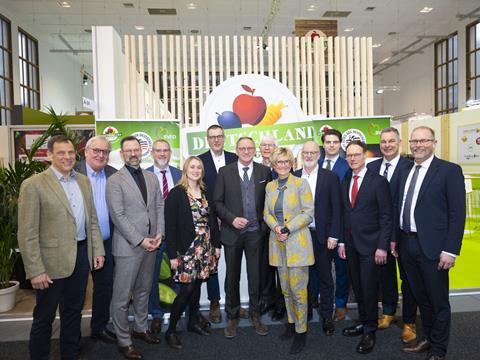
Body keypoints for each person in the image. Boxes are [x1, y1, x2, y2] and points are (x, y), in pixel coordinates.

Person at [17, 134, 105, 360]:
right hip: (49, 264)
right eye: (61, 153)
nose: (67, 157)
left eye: (70, 152)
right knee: (44, 317)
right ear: (49, 155)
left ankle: (70, 354)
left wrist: (97, 251)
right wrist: (35, 270)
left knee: (73, 313)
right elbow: (27, 232)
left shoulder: (83, 181)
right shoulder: (33, 185)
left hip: (81, 256)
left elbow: (92, 219)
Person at [398, 126, 465, 360]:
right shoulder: (407, 170)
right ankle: (427, 339)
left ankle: (439, 349)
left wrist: (450, 250)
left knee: (438, 301)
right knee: (421, 298)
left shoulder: (449, 171)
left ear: (434, 142)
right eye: (414, 141)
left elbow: (457, 214)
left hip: (434, 249)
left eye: (423, 140)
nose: (418, 145)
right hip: (407, 244)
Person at [106, 136, 164, 360]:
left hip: (152, 243)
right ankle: (123, 341)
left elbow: (158, 206)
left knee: (143, 290)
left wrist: (159, 233)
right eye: (128, 151)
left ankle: (140, 329)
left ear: (142, 152)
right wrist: (140, 240)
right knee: (121, 297)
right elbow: (118, 216)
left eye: (136, 150)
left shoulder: (151, 177)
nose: (133, 154)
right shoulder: (115, 181)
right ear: (122, 154)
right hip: (129, 247)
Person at [214, 136, 272, 338]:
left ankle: (255, 315)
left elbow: (269, 202)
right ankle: (232, 316)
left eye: (249, 148)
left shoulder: (265, 171)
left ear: (254, 150)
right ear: (236, 150)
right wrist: (231, 219)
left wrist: (264, 227)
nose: (246, 151)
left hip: (256, 234)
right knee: (232, 277)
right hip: (232, 233)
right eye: (242, 148)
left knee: (255, 276)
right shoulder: (225, 172)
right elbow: (217, 203)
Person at [339, 140, 392, 355]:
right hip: (351, 245)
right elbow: (345, 214)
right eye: (349, 155)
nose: (352, 158)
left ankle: (370, 331)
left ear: (364, 156)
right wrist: (342, 241)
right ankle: (364, 321)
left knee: (369, 289)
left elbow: (387, 216)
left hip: (371, 247)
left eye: (356, 154)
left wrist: (382, 247)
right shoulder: (345, 180)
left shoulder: (378, 181)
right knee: (359, 288)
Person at [366, 127, 418, 343]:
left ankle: (409, 322)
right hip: (381, 234)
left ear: (399, 142)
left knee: (408, 279)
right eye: (384, 141)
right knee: (385, 276)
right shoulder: (373, 166)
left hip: (404, 233)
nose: (387, 145)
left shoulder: (410, 166)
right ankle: (388, 312)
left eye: (391, 141)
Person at [164, 156, 221, 350]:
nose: (196, 170)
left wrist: (217, 244)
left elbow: (212, 220)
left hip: (205, 247)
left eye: (199, 167)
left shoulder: (205, 191)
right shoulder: (176, 193)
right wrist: (172, 255)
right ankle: (170, 330)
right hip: (186, 249)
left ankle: (192, 322)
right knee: (186, 289)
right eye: (192, 167)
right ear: (185, 169)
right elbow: (170, 227)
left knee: (197, 286)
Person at [264, 147, 314, 354]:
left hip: (298, 244)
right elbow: (266, 213)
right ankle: (292, 325)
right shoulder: (270, 186)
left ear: (292, 163)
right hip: (278, 244)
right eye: (278, 162)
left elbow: (308, 213)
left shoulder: (301, 184)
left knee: (299, 291)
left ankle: (302, 332)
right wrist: (275, 227)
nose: (282, 165)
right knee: (285, 289)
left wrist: (287, 228)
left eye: (286, 162)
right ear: (273, 165)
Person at [294, 141, 341, 336]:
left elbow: (337, 208)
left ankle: (327, 316)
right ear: (301, 154)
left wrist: (334, 235)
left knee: (325, 278)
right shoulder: (294, 176)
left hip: (322, 236)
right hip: (300, 236)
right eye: (306, 152)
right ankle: (304, 314)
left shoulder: (329, 177)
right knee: (302, 278)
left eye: (313, 152)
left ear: (319, 155)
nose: (310, 155)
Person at [76, 136, 117, 344]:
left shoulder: (113, 174)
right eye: (97, 151)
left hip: (107, 242)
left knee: (104, 287)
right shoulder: (73, 173)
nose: (101, 155)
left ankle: (98, 327)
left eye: (105, 152)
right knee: (77, 290)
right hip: (80, 243)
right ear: (86, 151)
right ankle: (72, 334)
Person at [198, 124, 238, 323]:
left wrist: (229, 216)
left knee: (233, 263)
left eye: (219, 136)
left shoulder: (235, 158)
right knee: (211, 262)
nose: (216, 140)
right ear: (207, 139)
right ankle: (214, 302)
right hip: (208, 221)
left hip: (231, 219)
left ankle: (234, 303)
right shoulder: (200, 161)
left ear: (224, 138)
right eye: (212, 137)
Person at [146, 139, 182, 335]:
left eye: (165, 150)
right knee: (152, 276)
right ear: (152, 153)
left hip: (176, 235)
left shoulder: (179, 174)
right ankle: (156, 315)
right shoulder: (144, 175)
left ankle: (177, 312)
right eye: (158, 151)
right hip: (153, 236)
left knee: (179, 275)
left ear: (170, 153)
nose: (162, 154)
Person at [319, 128, 351, 321]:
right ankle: (320, 301)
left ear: (340, 144)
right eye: (328, 142)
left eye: (335, 142)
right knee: (318, 269)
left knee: (341, 269)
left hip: (341, 227)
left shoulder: (347, 165)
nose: (331, 145)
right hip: (319, 228)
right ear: (323, 144)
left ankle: (341, 304)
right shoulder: (315, 163)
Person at [258, 135, 285, 319]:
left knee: (282, 268)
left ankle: (281, 305)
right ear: (260, 148)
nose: (267, 148)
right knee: (266, 268)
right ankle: (267, 301)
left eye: (270, 145)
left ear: (276, 147)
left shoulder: (282, 168)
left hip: (282, 228)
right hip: (262, 227)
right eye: (264, 145)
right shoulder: (256, 169)